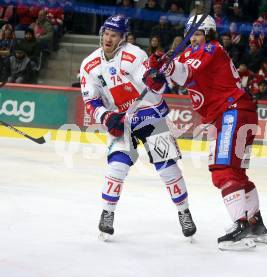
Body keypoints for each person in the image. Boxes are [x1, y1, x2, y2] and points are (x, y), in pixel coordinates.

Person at [145, 14, 267, 250]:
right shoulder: (191, 53)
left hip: (230, 111)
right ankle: (255, 225)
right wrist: (154, 71)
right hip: (235, 112)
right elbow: (165, 80)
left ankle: (240, 226)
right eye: (190, 34)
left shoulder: (212, 49)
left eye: (198, 33)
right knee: (237, 174)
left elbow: (184, 74)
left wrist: (167, 65)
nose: (193, 39)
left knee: (222, 171)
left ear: (209, 34)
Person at [79, 14, 196, 241]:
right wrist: (106, 117)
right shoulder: (89, 64)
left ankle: (184, 212)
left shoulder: (135, 55)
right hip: (120, 121)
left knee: (167, 167)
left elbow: (155, 86)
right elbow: (91, 100)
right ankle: (107, 213)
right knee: (117, 166)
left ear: (122, 38)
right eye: (106, 34)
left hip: (149, 114)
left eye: (114, 35)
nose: (108, 38)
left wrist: (157, 80)